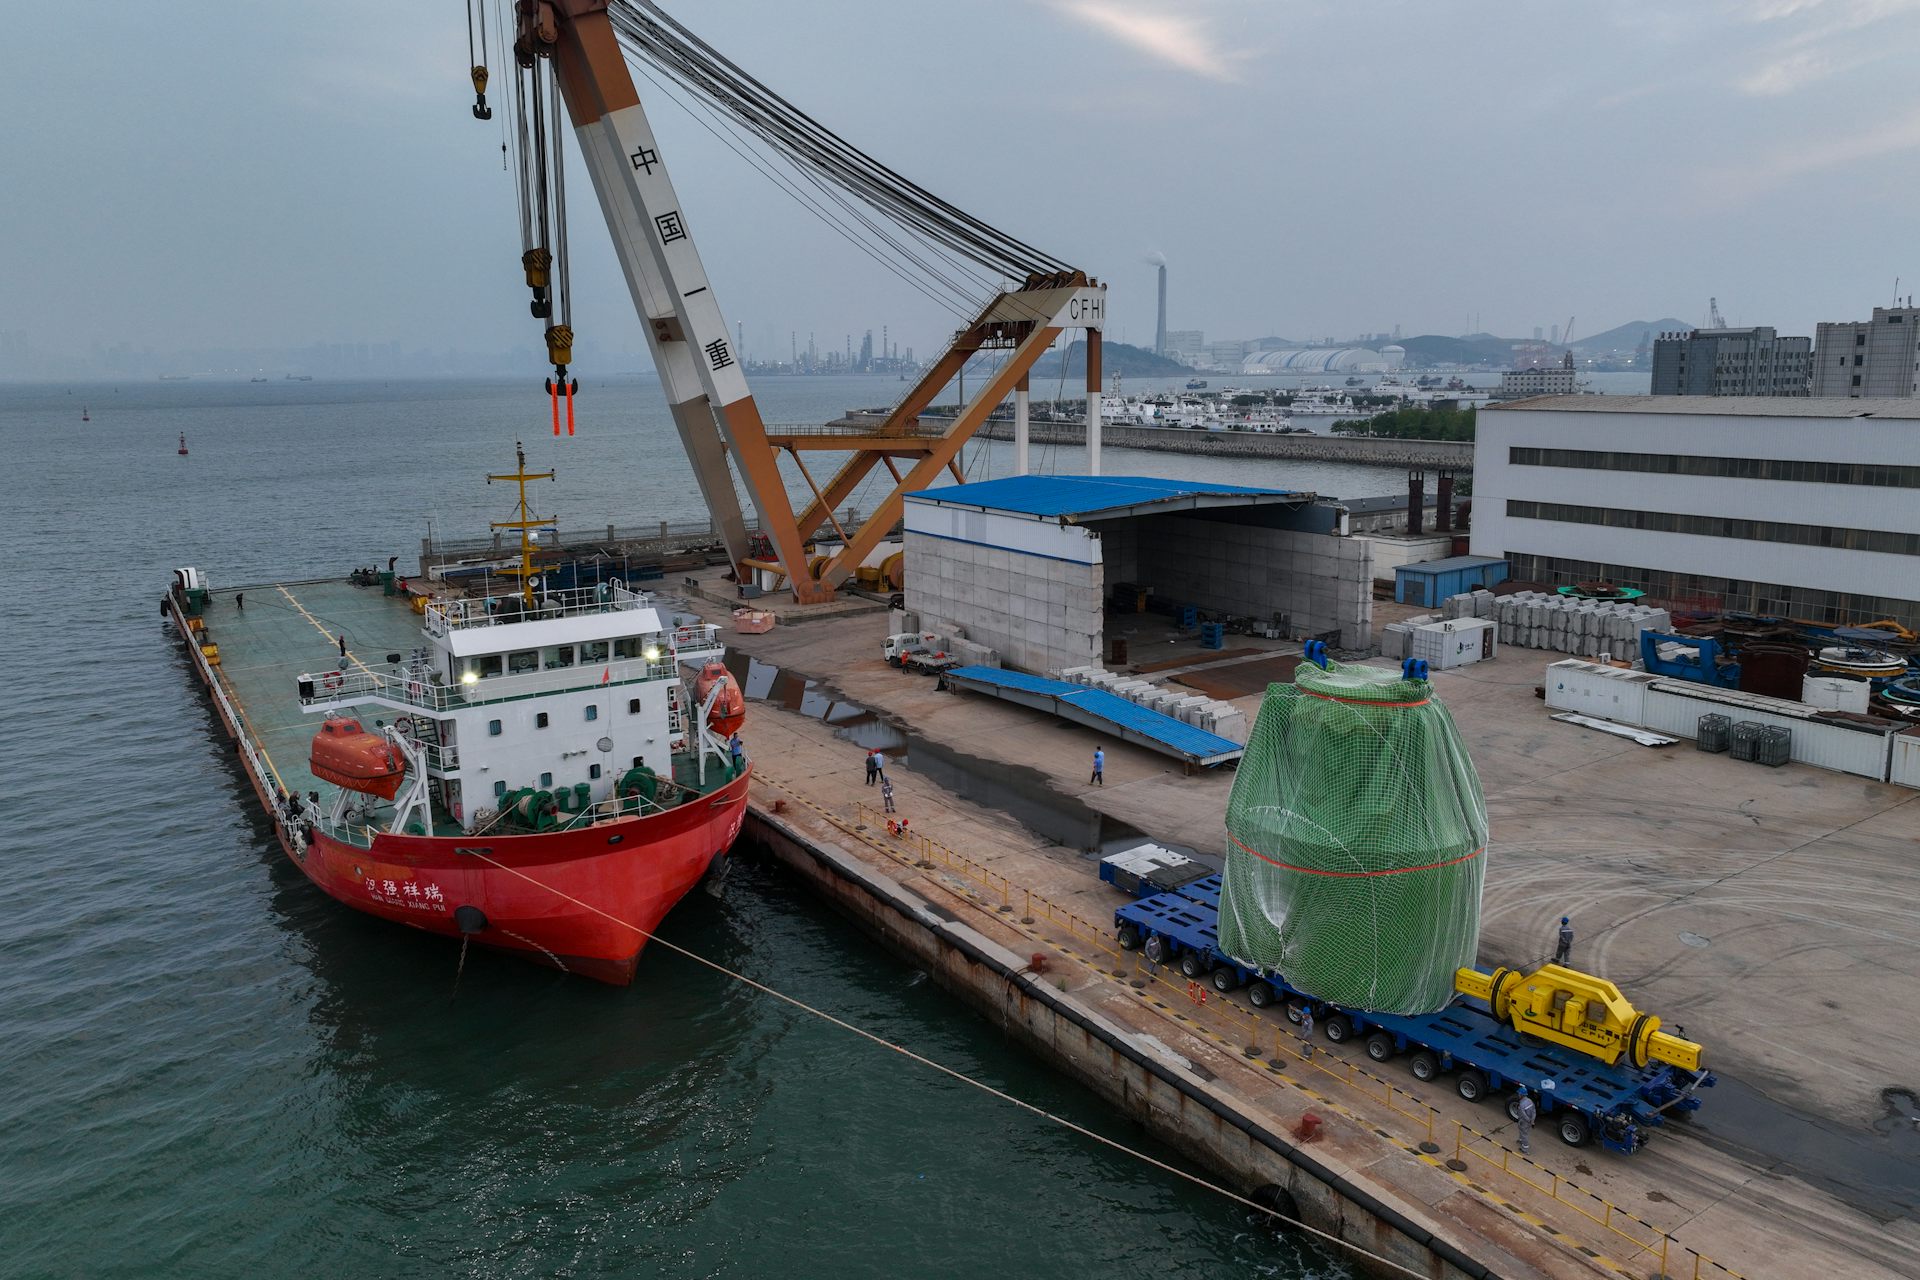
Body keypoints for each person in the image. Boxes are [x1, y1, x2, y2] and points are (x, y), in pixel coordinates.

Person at [1514, 1086, 1537, 1155]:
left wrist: (1528, 1120)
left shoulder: (1522, 1105)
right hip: (1529, 1121)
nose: (1518, 1095)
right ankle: (1521, 1140)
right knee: (1522, 1132)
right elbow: (1534, 1111)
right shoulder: (1530, 1101)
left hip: (1524, 1121)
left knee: (1524, 1134)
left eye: (1519, 1094)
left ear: (1521, 1095)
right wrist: (1532, 1121)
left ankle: (1525, 1149)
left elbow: (1523, 1115)